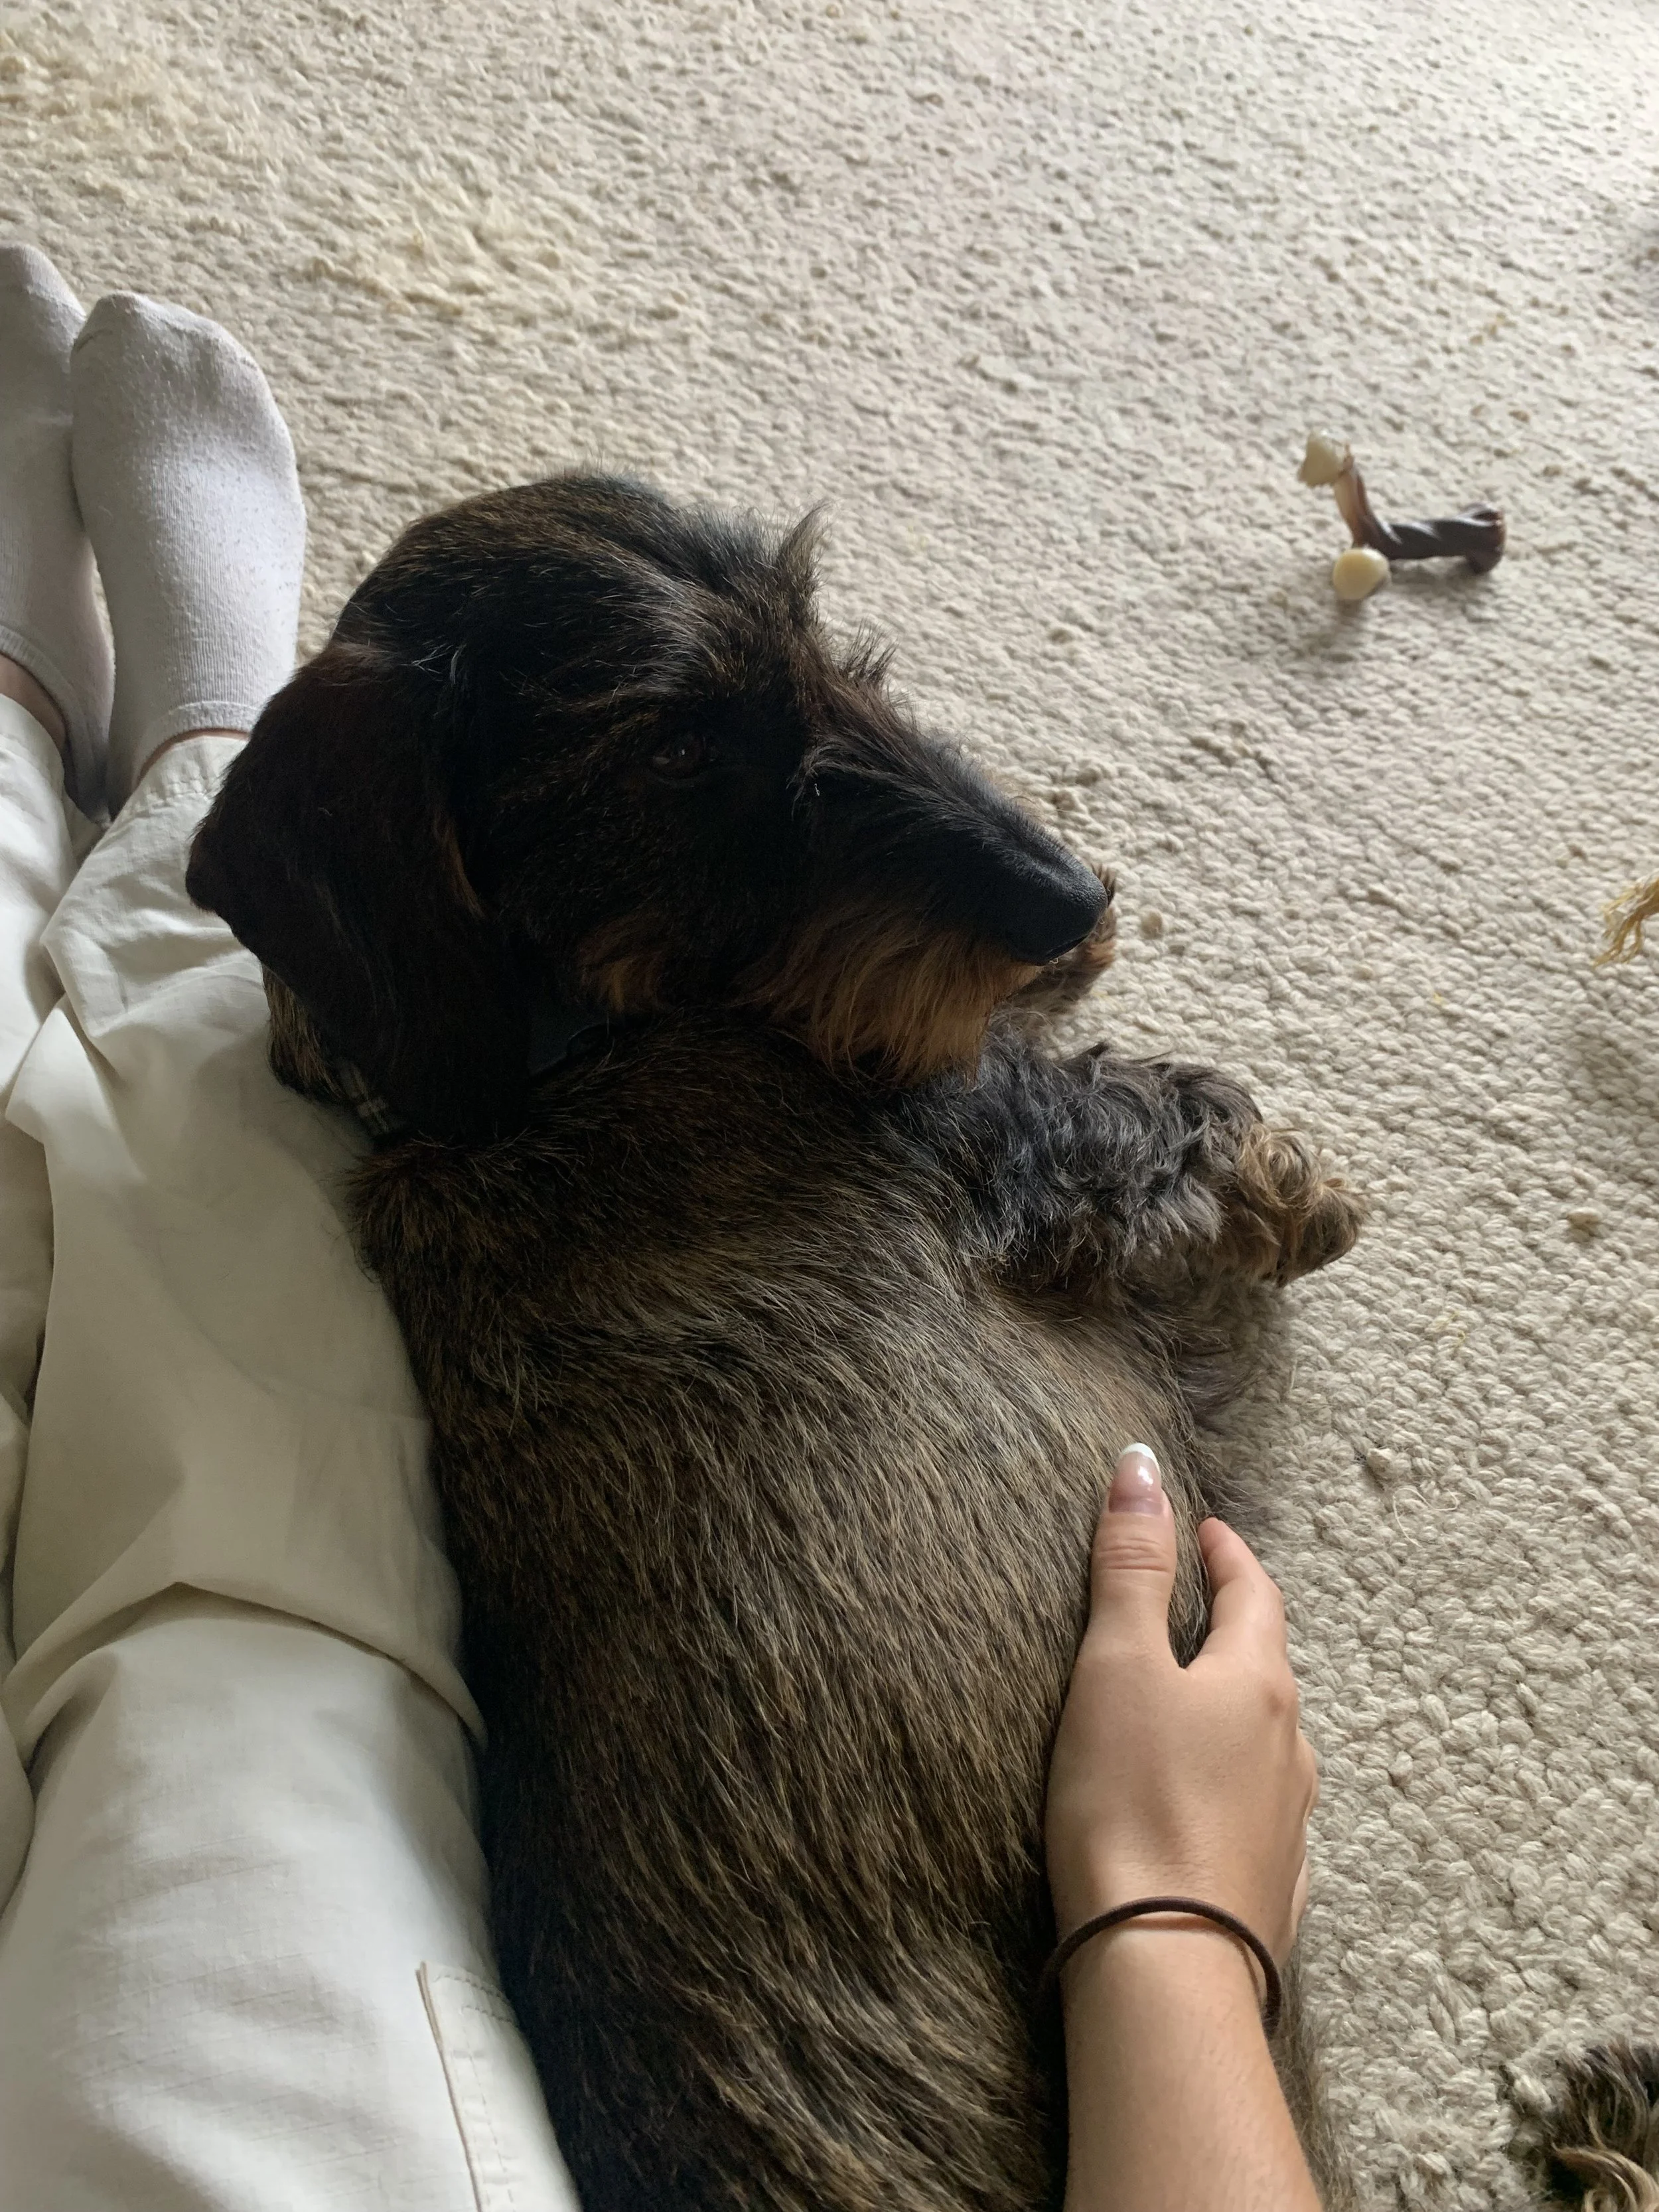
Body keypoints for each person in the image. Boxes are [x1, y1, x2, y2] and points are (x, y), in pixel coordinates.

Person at [0, 243, 1321, 2211]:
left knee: (194, 1570)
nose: (1039, 873)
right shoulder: (776, 1140)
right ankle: (162, 766)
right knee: (226, 1586)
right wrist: (1171, 1930)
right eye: (696, 774)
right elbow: (1225, 1184)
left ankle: (95, 738)